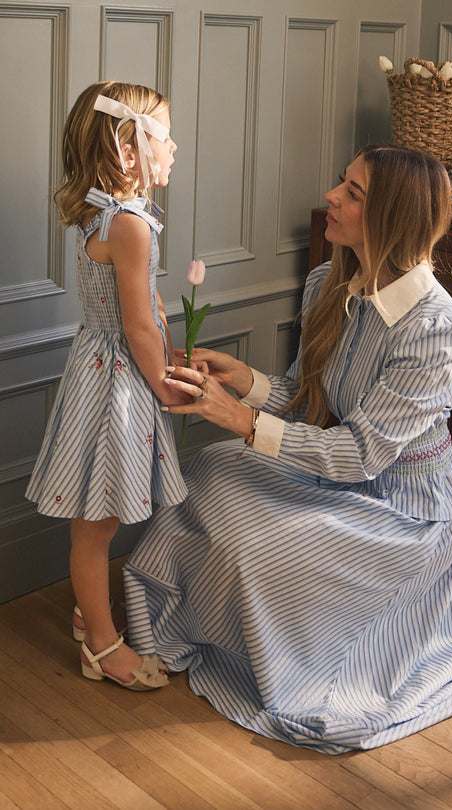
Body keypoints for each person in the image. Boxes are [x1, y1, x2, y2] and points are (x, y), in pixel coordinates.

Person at [123, 144, 452, 751]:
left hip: (403, 513)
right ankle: (181, 624)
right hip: (336, 470)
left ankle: (291, 655)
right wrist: (245, 382)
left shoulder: (436, 333)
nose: (332, 197)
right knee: (209, 470)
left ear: (393, 215)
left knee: (253, 536)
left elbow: (359, 454)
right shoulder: (328, 285)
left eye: (354, 192)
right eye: (343, 182)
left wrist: (242, 420)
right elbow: (312, 400)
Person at [26, 80, 190, 690]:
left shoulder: (109, 213)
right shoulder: (129, 225)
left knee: (99, 515)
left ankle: (85, 609)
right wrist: (166, 384)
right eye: (164, 137)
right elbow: (138, 324)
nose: (173, 148)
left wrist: (162, 352)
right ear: (129, 152)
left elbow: (139, 314)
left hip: (98, 370)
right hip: (117, 383)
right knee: (97, 523)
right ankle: (100, 641)